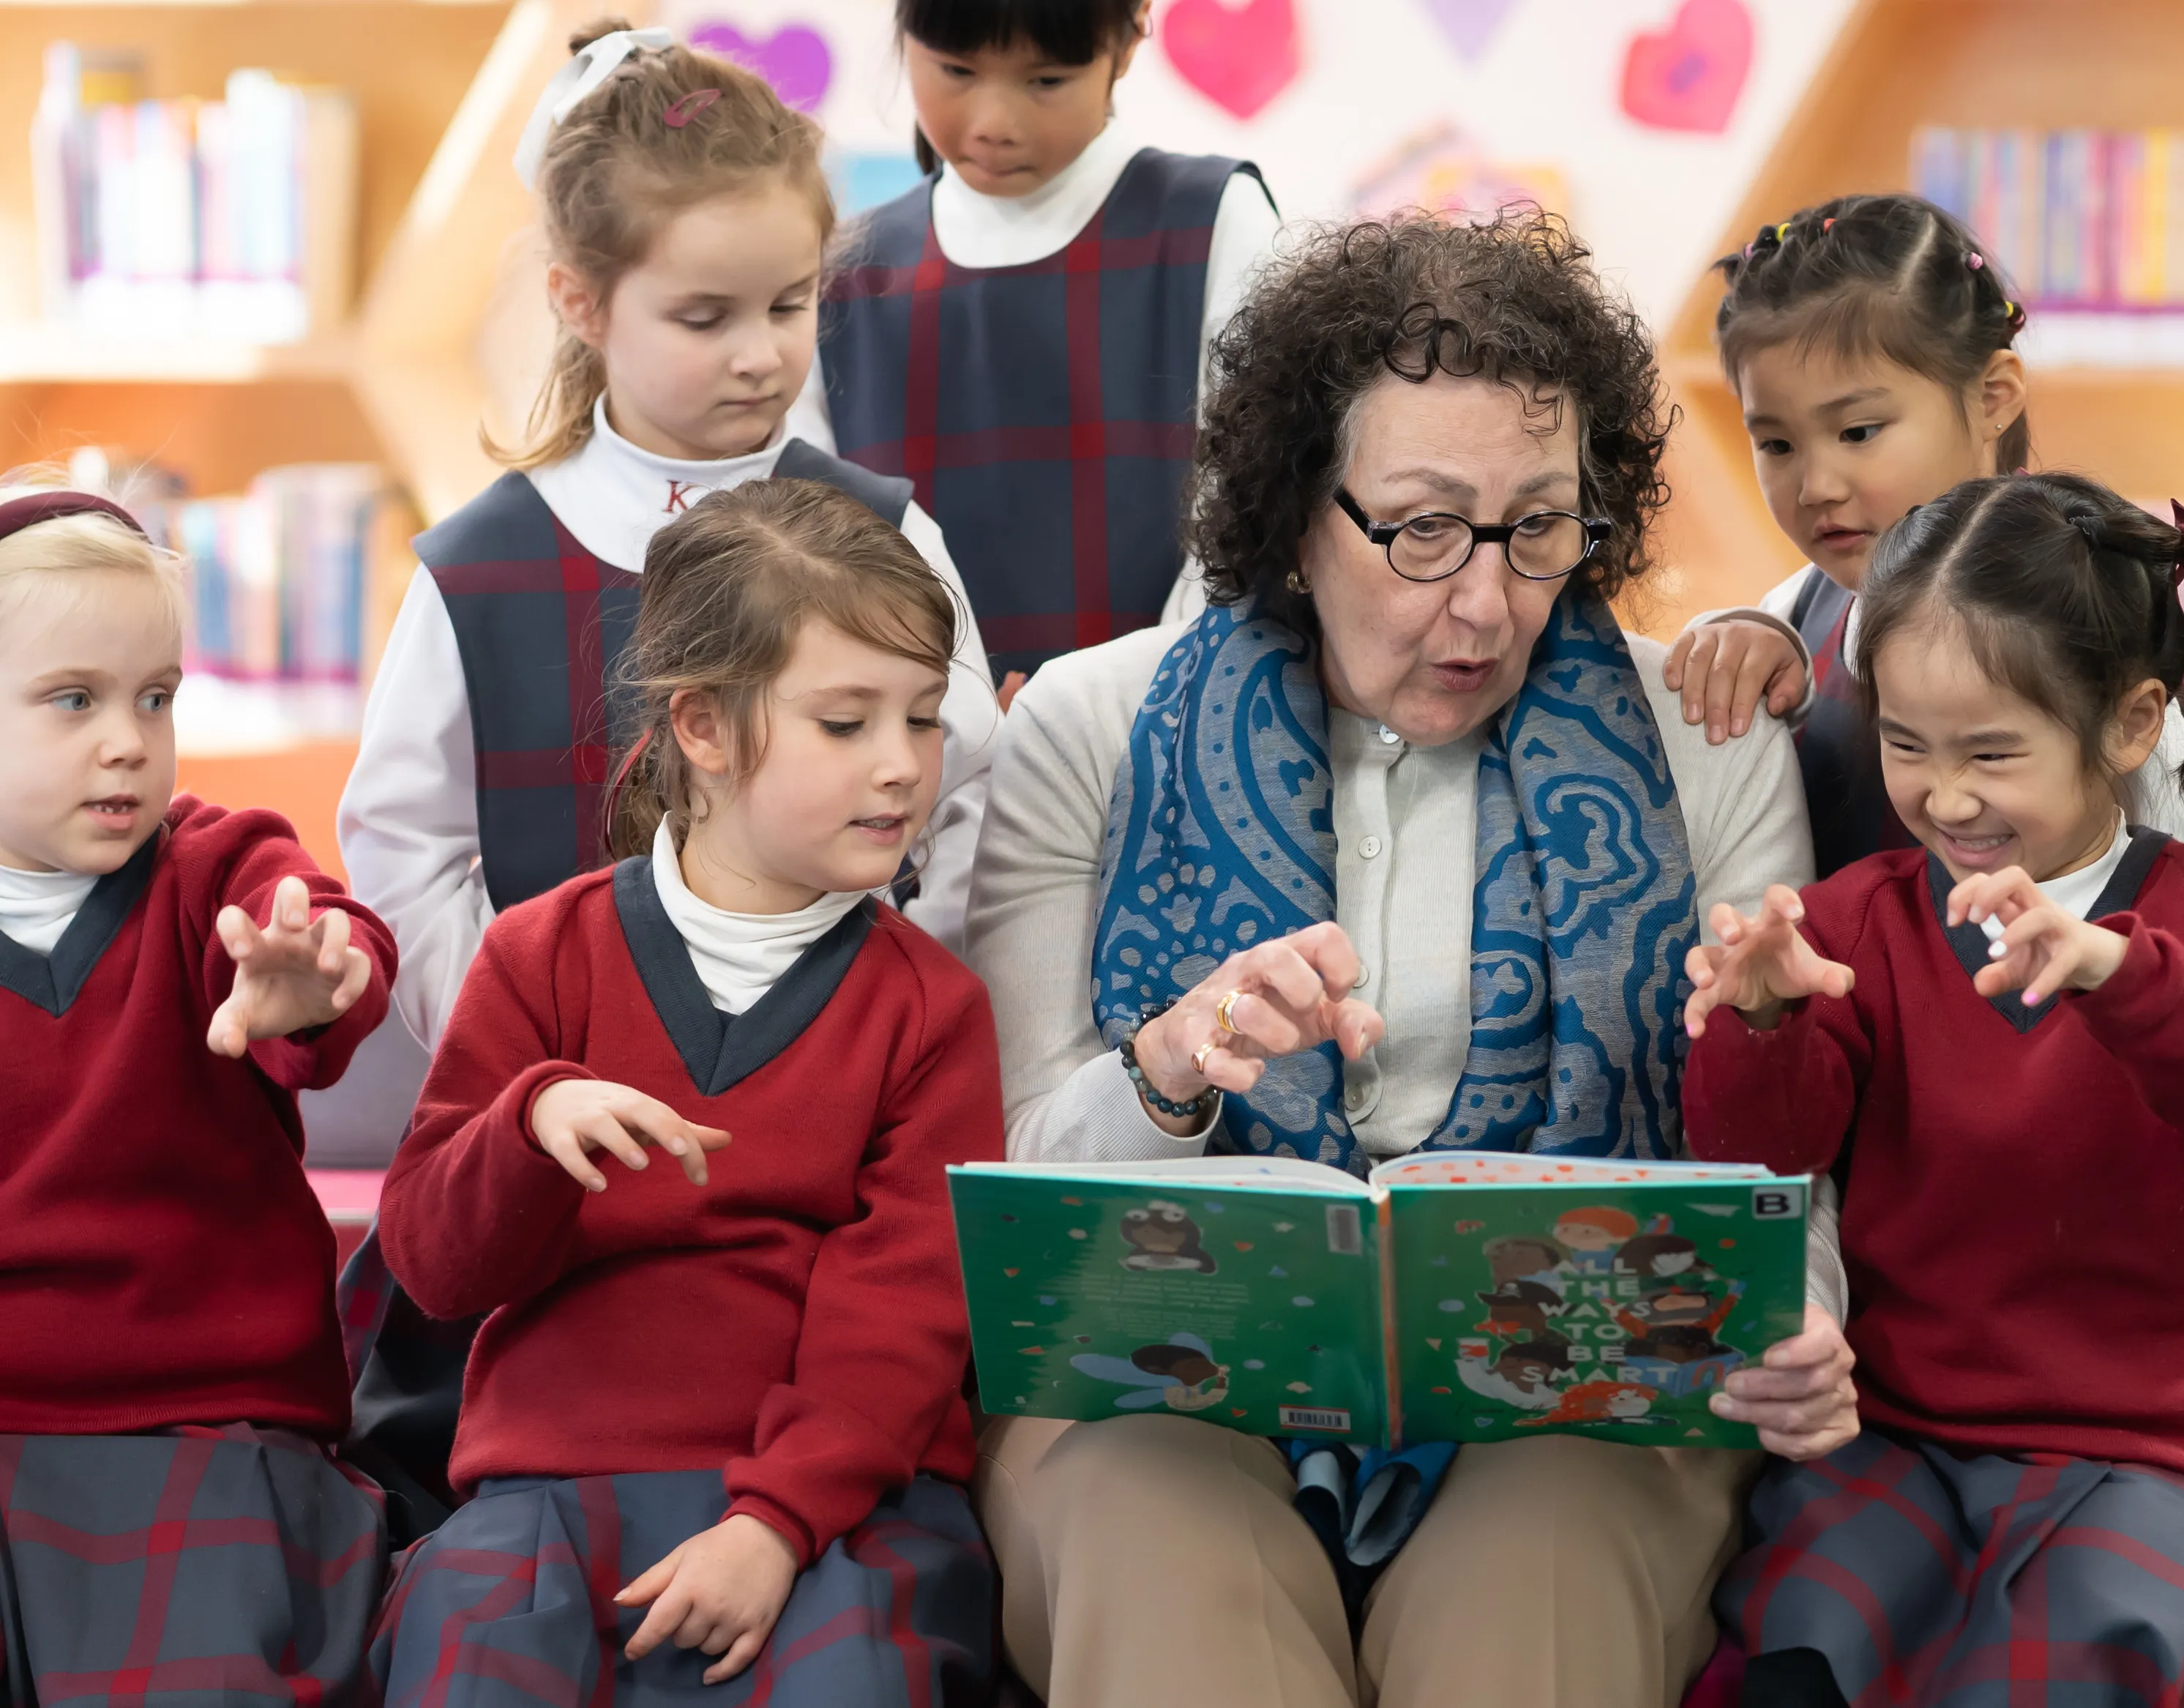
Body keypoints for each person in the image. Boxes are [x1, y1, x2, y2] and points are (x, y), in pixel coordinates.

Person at [964, 209, 1857, 1708]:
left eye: (1537, 527)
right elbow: (1010, 1179)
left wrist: (1799, 1315)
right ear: (1299, 512)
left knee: (1547, 1567)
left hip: (1584, 1387)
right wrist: (1169, 1068)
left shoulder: (1703, 745)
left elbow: (1773, 1164)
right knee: (1144, 1520)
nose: (1489, 601)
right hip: (1162, 1367)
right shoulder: (1091, 727)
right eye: (1424, 529)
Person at [334, 20, 1001, 1530]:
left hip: (829, 1214)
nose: (763, 351)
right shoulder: (479, 566)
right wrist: (532, 1050)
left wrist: (867, 1023)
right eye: (705, 315)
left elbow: (968, 802)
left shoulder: (883, 537)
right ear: (581, 303)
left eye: (790, 303)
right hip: (546, 1226)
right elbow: (402, 846)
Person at [1680, 472, 2184, 1708]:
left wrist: (2121, 973)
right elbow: (1771, 1146)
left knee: (2067, 1663)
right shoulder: (1859, 913)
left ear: (2129, 727)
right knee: (1806, 1636)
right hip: (1902, 1429)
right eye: (1905, 744)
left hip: (2129, 1437)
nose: (1945, 793)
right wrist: (1761, 1016)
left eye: (1991, 752)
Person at [366, 480, 1001, 1698]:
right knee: (467, 1655)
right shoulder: (539, 954)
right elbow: (435, 1263)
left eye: (923, 719)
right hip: (545, 1495)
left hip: (838, 1509)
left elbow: (903, 1319)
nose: (902, 766)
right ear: (704, 728)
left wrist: (775, 1524)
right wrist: (528, 1125)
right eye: (846, 721)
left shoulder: (932, 1009)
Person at [0, 485, 395, 1701]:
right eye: (75, 699)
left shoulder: (213, 868)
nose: (128, 738)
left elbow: (322, 935)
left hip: (208, 1413)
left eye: (155, 697)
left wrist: (313, 982)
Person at [1656, 193, 2184, 876]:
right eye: (1776, 443)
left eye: (1858, 432)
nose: (1816, 486)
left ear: (1991, 397)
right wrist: (1739, 644)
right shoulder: (1800, 611)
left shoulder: (2074, 614)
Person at [802, 0, 1282, 690]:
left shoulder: (1213, 220)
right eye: (957, 70)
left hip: (1161, 729)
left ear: (1127, 38)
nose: (995, 125)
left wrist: (1111, 717)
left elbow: (1249, 514)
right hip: (912, 756)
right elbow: (813, 551)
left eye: (1046, 81)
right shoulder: (845, 269)